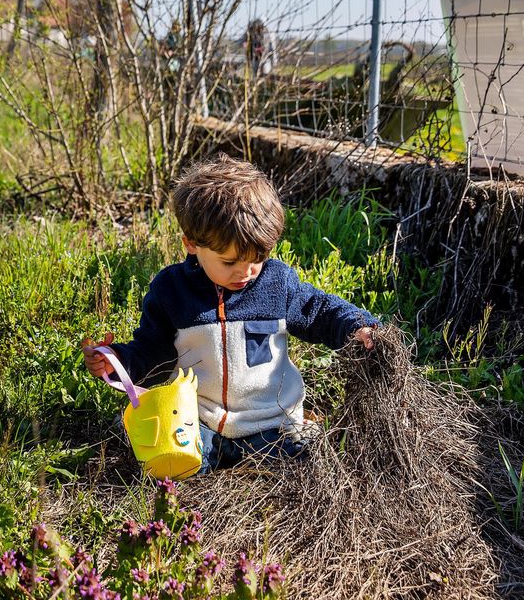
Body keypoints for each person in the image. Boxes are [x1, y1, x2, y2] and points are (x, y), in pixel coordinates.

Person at [82, 154, 378, 474]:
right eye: (229, 262)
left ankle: (300, 440)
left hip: (270, 421)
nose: (246, 272)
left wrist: (358, 327)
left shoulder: (276, 282)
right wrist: (116, 361)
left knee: (307, 467)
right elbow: (151, 352)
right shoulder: (172, 291)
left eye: (257, 258)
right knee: (170, 470)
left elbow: (319, 311)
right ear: (192, 244)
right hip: (200, 419)